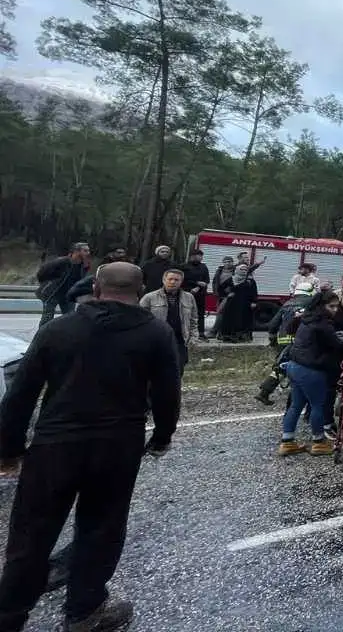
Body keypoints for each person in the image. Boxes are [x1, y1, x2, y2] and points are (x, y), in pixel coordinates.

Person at [0, 262, 180, 632]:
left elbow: (20, 394)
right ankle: (84, 611)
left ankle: (10, 613)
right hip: (117, 447)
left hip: (55, 444)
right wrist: (162, 436)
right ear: (140, 289)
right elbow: (167, 393)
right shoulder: (155, 333)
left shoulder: (59, 329)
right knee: (101, 528)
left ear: (95, 288)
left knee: (31, 532)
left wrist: (10, 449)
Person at [275, 291, 343, 457]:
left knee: (296, 405)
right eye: (331, 306)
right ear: (321, 306)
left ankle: (287, 441)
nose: (335, 310)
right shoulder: (322, 323)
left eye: (336, 306)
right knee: (317, 405)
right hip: (311, 369)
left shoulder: (307, 319)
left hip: (294, 366)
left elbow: (323, 339)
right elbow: (336, 344)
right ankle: (318, 442)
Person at [139, 268, 199, 378]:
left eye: (176, 280)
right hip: (157, 341)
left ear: (181, 282)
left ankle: (172, 393)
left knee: (177, 370)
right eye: (170, 279)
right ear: (164, 280)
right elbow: (139, 319)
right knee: (156, 370)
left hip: (180, 340)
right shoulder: (150, 297)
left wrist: (194, 337)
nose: (173, 282)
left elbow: (194, 319)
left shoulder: (189, 297)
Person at [35, 242, 91, 328]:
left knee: (70, 317)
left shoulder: (84, 265)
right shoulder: (62, 261)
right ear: (77, 251)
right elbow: (42, 272)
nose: (88, 253)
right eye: (85, 251)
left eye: (88, 251)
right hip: (52, 293)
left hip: (68, 294)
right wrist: (48, 284)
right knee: (48, 317)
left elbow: (80, 280)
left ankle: (68, 338)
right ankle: (42, 336)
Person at [216, 264, 258, 343]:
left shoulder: (250, 280)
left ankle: (240, 337)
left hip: (245, 304)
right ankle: (227, 336)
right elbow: (220, 288)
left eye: (245, 270)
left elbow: (254, 292)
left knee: (242, 320)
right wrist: (227, 295)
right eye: (242, 269)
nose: (244, 271)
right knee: (230, 319)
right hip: (232, 304)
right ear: (237, 270)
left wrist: (254, 302)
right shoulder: (231, 279)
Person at [181, 249, 211, 341]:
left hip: (200, 294)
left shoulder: (203, 266)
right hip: (188, 292)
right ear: (192, 256)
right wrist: (196, 284)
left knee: (200, 314)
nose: (201, 258)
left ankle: (201, 333)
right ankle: (185, 332)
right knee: (187, 313)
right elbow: (183, 279)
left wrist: (200, 286)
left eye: (201, 256)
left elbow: (207, 280)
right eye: (199, 255)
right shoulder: (184, 266)